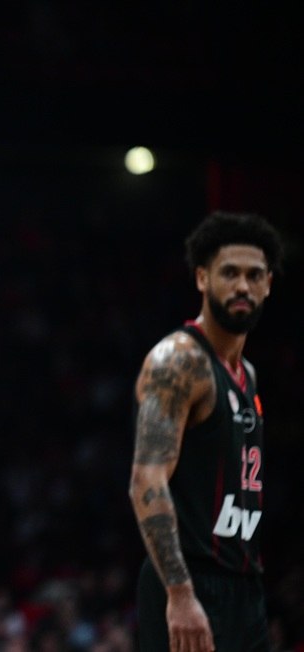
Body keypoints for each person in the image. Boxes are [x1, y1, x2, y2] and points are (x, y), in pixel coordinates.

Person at [128, 211, 284, 651]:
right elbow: (146, 479)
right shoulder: (178, 361)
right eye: (229, 273)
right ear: (202, 278)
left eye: (254, 275)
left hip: (244, 583)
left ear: (268, 285)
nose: (242, 286)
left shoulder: (247, 373)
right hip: (189, 582)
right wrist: (179, 594)